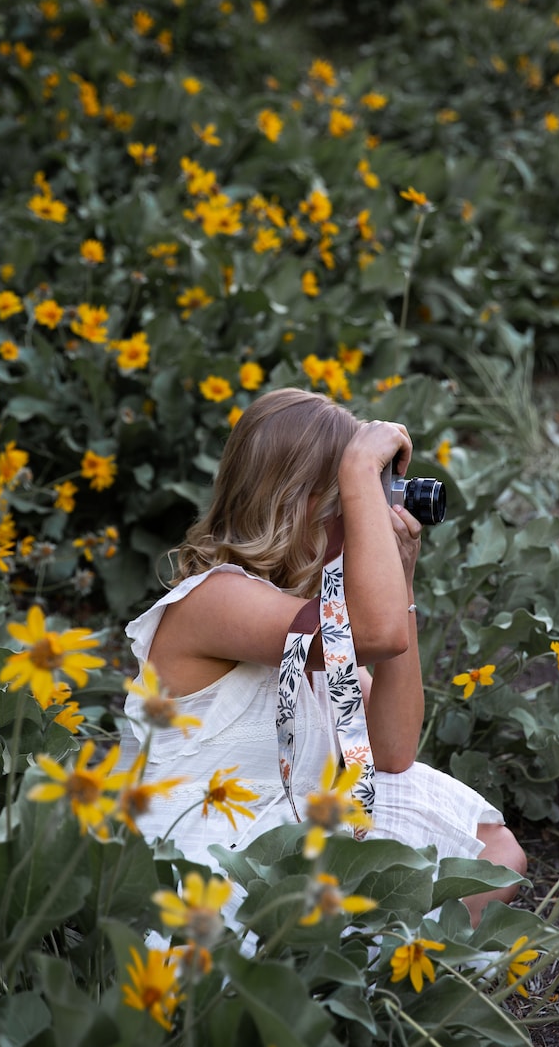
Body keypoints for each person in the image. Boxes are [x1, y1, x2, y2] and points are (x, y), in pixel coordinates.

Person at [118, 387, 526, 926]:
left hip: (290, 822)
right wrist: (360, 467)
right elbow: (377, 635)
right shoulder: (214, 599)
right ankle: (365, 974)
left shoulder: (307, 615)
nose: (367, 518)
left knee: (496, 853)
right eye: (350, 501)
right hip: (207, 845)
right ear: (297, 502)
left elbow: (393, 751)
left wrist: (401, 572)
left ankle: (392, 969)